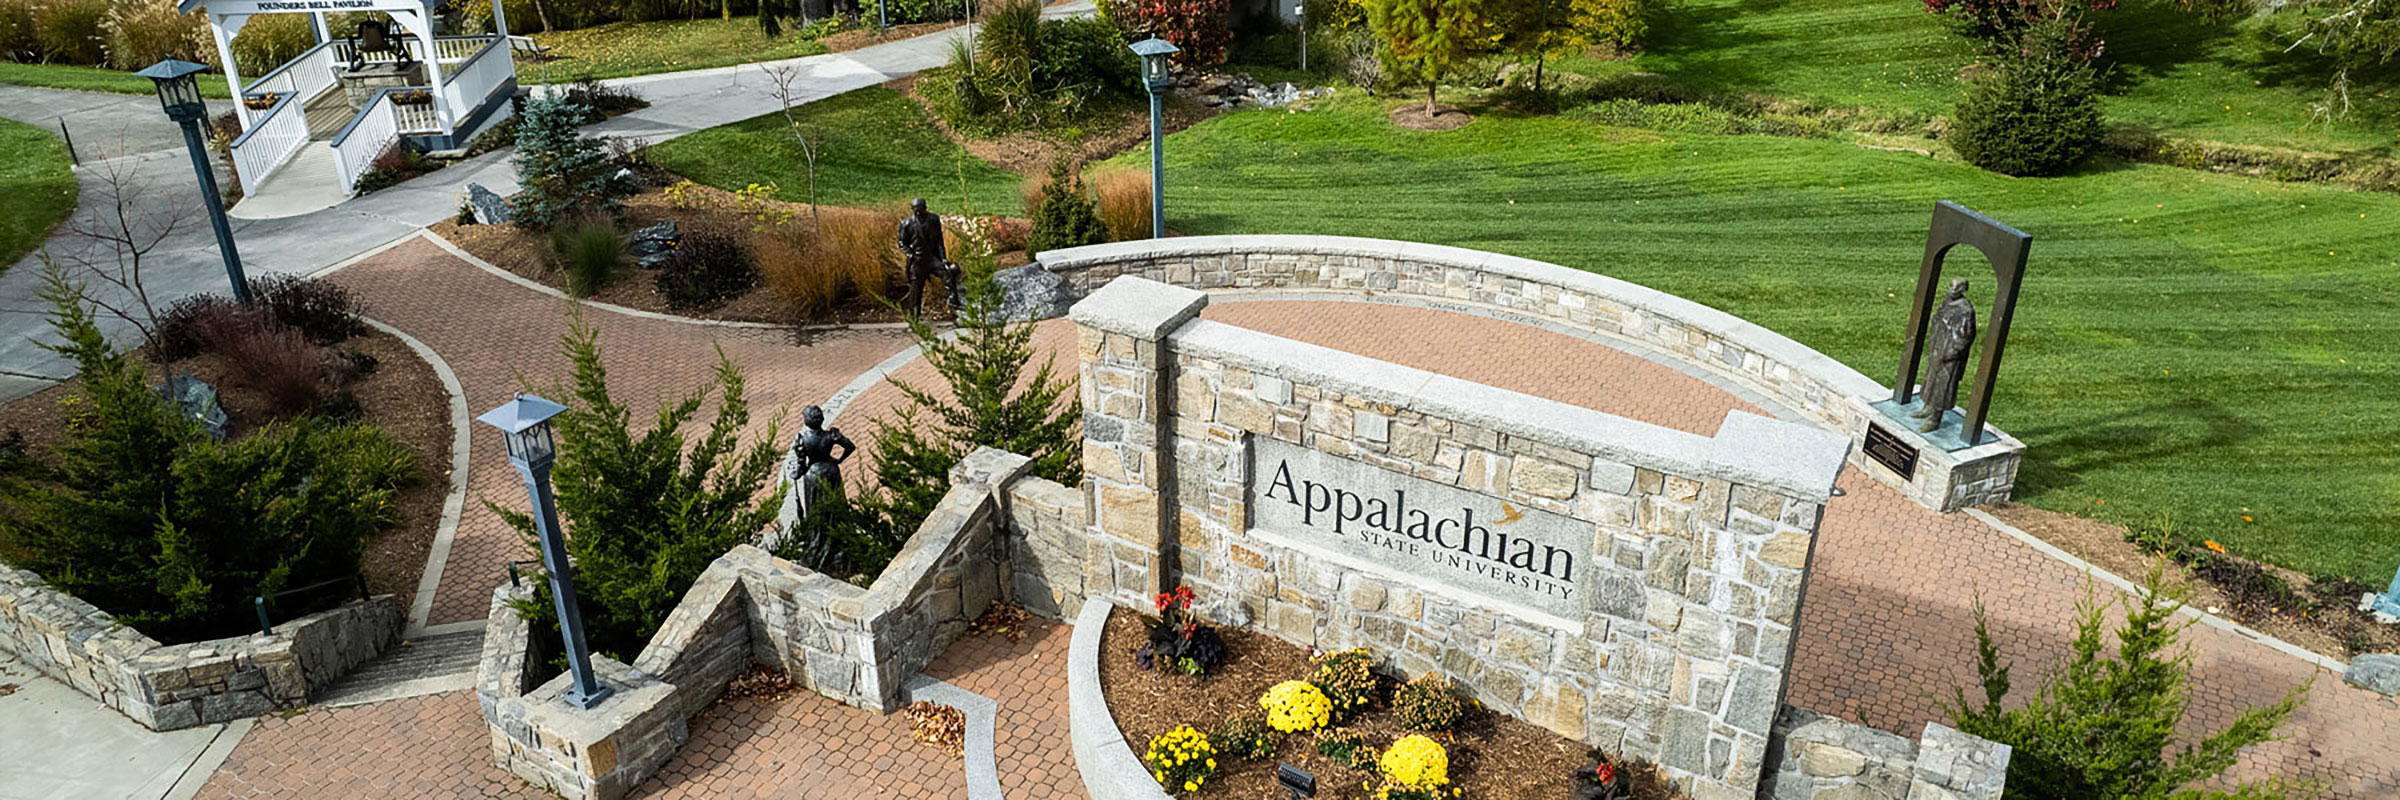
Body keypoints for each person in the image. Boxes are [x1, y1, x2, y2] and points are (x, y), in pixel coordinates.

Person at [1913, 278, 1977, 433]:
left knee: (1943, 386)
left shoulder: (1965, 310)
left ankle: (1935, 419)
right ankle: (1928, 407)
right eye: (1950, 287)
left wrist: (1951, 353)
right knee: (1930, 380)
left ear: (1963, 289)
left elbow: (1965, 336)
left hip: (1949, 355)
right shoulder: (1947, 301)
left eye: (1956, 288)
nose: (1951, 290)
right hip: (1938, 347)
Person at [898, 198, 965, 317]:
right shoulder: (906, 224)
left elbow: (939, 240)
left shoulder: (934, 219)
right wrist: (911, 255)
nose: (918, 212)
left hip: (932, 257)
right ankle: (914, 316)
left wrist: (943, 258)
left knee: (948, 274)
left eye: (920, 209)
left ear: (925, 208)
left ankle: (955, 302)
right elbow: (902, 243)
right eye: (915, 210)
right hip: (918, 260)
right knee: (916, 289)